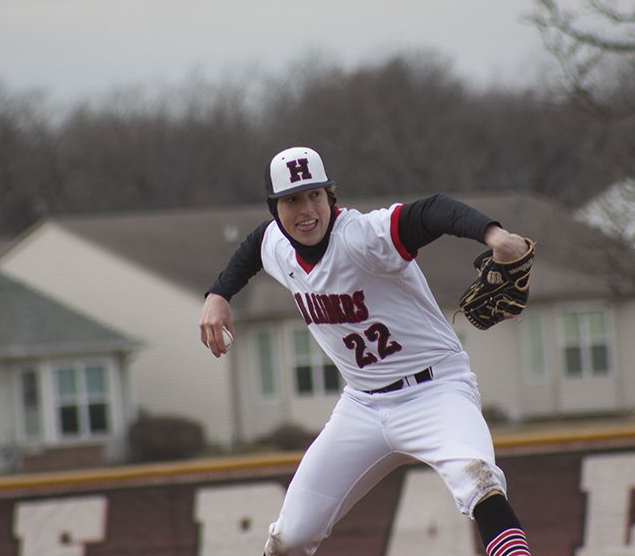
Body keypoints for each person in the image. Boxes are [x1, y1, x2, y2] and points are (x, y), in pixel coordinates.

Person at [199, 147, 533, 556]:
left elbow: (432, 210)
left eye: (314, 195)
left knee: (480, 483)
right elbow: (253, 246)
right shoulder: (276, 244)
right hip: (362, 405)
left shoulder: (363, 236)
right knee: (290, 538)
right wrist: (218, 294)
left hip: (435, 390)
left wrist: (494, 235)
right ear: (275, 209)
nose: (306, 210)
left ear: (330, 196)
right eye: (291, 200)